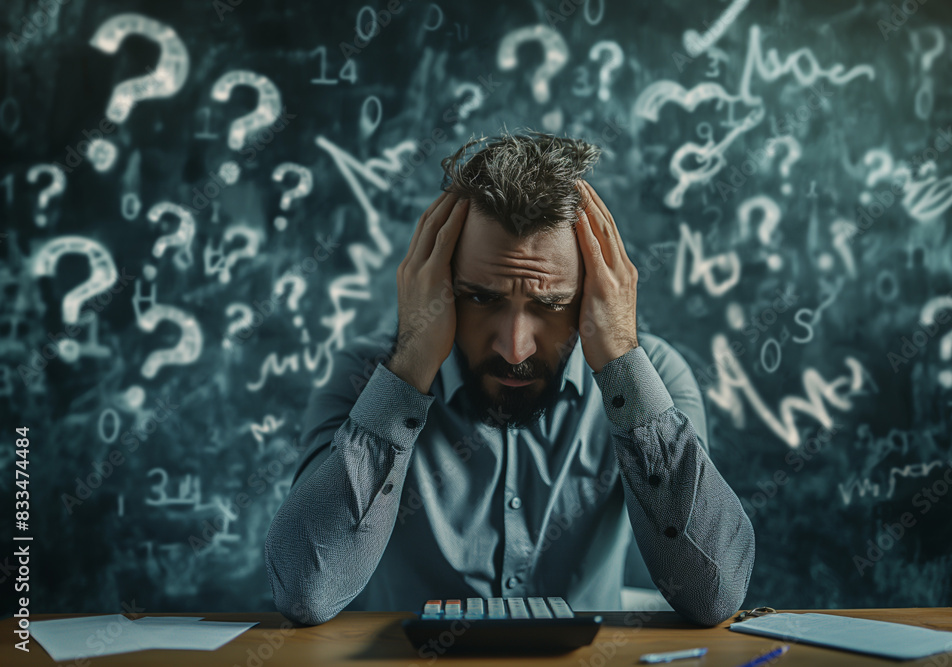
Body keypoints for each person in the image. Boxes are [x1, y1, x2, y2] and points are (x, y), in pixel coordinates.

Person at [264, 130, 755, 627]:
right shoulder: (363, 376)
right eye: (482, 298)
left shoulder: (656, 378)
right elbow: (307, 592)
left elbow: (713, 595)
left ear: (594, 295)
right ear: (437, 284)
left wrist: (622, 361)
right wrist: (409, 367)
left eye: (551, 304)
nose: (515, 348)